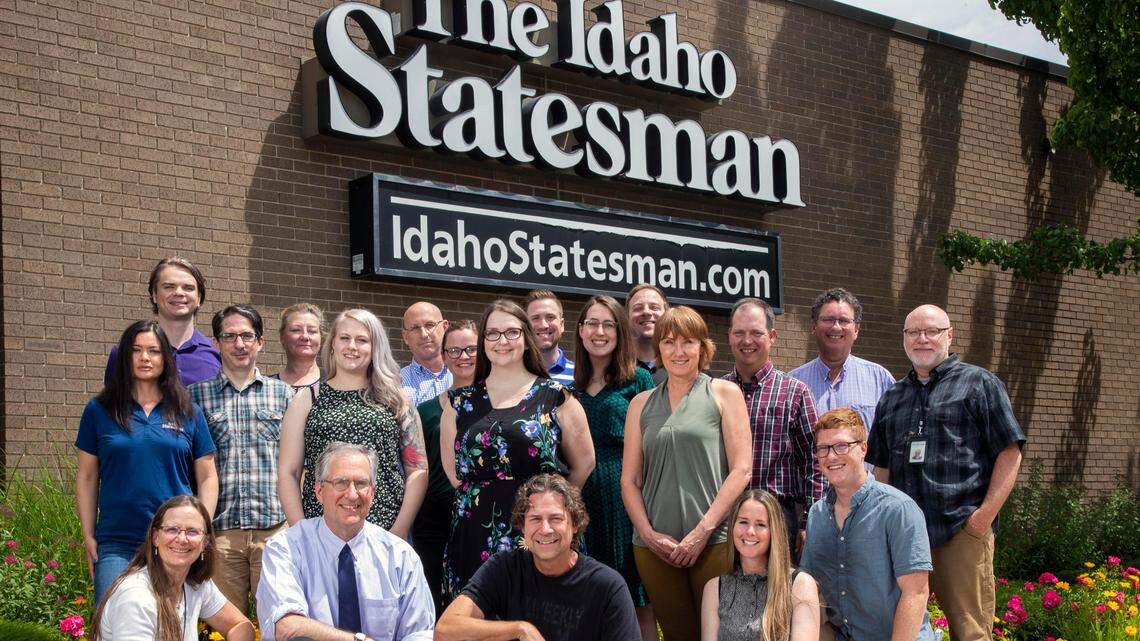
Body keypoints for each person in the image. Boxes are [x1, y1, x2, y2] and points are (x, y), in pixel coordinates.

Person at [868, 304, 1025, 641]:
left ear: (949, 335)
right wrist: (880, 525)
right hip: (904, 536)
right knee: (901, 627)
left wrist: (982, 520)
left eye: (931, 331)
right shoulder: (893, 397)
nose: (921, 339)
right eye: (913, 332)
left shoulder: (979, 383)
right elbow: (882, 468)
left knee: (971, 633)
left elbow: (1010, 453)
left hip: (960, 531)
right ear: (904, 339)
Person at [440, 299, 595, 602]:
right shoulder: (459, 403)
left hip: (542, 533)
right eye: (493, 333)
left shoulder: (555, 397)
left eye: (511, 333)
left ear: (526, 338)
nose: (502, 341)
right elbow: (454, 473)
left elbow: (584, 464)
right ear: (483, 342)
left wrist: (552, 506)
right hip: (474, 532)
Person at [620, 306, 752, 641]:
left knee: (721, 632)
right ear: (659, 349)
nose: (678, 351)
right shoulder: (640, 404)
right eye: (669, 342)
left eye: (688, 342)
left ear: (703, 348)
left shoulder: (724, 393)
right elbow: (630, 480)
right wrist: (648, 534)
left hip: (714, 540)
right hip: (655, 549)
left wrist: (703, 530)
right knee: (678, 634)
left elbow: (741, 469)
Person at [77, 320, 219, 605]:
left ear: (165, 359)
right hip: (117, 540)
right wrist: (88, 534)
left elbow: (207, 476)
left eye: (153, 351)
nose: (145, 358)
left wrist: (200, 528)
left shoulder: (187, 411)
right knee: (111, 623)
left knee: (168, 626)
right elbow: (87, 477)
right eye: (136, 350)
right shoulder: (99, 410)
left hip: (173, 540)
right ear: (124, 357)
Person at [257, 443, 435, 641]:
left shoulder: (400, 556)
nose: (352, 494)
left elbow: (420, 634)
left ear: (373, 492)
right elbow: (288, 627)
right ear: (318, 491)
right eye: (341, 482)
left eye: (361, 483)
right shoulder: (286, 548)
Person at [278, 308, 428, 538]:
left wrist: (399, 529)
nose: (352, 347)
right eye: (345, 338)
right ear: (332, 344)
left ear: (374, 347)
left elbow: (417, 469)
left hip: (384, 531)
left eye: (362, 340)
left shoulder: (396, 400)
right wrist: (301, 531)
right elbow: (289, 472)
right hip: (319, 531)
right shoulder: (307, 400)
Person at [436, 474, 639, 641]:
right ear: (522, 527)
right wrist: (519, 629)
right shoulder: (504, 568)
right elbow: (445, 630)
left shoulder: (607, 586)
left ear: (575, 524)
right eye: (535, 519)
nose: (545, 529)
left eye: (556, 518)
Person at [189, 305, 291, 613]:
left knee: (277, 622)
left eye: (247, 335)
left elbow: (298, 463)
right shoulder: (196, 397)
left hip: (274, 531)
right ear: (216, 343)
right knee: (224, 626)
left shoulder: (284, 395)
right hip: (221, 534)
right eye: (230, 336)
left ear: (260, 342)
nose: (239, 344)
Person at [801, 408, 935, 641]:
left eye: (842, 446)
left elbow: (916, 592)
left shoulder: (898, 510)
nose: (831, 457)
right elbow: (811, 590)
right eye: (823, 448)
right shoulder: (817, 515)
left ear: (863, 448)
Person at [572, 295, 657, 641]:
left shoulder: (637, 380)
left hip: (626, 501)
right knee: (588, 599)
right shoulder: (570, 389)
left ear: (620, 332)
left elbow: (653, 445)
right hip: (582, 502)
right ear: (580, 331)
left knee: (637, 602)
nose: (600, 331)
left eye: (608, 324)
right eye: (592, 323)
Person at [723, 298, 826, 554]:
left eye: (756, 333)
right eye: (740, 333)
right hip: (725, 520)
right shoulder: (715, 391)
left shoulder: (795, 392)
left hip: (777, 518)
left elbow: (814, 462)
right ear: (729, 337)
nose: (747, 341)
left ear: (772, 336)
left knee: (776, 593)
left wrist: (809, 522)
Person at [91, 495, 253, 641]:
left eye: (192, 531)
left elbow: (239, 626)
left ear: (205, 542)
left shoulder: (195, 584)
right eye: (172, 530)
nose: (182, 539)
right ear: (155, 537)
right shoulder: (136, 597)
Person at [413, 320, 478, 616]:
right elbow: (416, 465)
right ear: (444, 354)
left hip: (482, 516)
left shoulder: (500, 404)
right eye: (454, 350)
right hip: (434, 521)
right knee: (437, 603)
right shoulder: (426, 410)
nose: (463, 356)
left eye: (471, 349)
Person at [789, 288, 895, 463]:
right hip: (812, 488)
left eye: (844, 320)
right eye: (828, 319)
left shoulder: (880, 379)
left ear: (856, 330)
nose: (836, 326)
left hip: (864, 488)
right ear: (814, 326)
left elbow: (892, 443)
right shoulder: (793, 383)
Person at [700, 489, 820, 641]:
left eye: (761, 524)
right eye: (743, 522)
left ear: (774, 531)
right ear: (732, 527)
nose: (750, 531)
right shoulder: (715, 589)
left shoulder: (800, 584)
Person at [105, 257, 220, 386]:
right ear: (154, 295)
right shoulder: (125, 352)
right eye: (169, 287)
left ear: (199, 298)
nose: (179, 292)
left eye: (188, 288)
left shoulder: (219, 353)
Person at [400, 301, 452, 405]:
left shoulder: (469, 374)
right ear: (405, 336)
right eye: (415, 328)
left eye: (429, 325)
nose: (424, 334)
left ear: (445, 328)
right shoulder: (395, 385)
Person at [525, 289, 575, 386]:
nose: (543, 325)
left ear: (562, 325)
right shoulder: (514, 374)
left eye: (550, 317)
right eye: (535, 318)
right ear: (526, 325)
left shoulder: (579, 376)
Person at [274, 302, 324, 391]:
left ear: (321, 337)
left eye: (312, 331)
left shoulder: (338, 383)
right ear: (282, 336)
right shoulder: (265, 388)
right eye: (296, 330)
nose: (305, 336)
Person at [625, 283, 668, 385]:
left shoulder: (683, 367)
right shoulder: (615, 367)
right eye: (638, 308)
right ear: (627, 317)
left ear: (667, 314)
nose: (646, 312)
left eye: (654, 307)